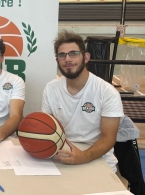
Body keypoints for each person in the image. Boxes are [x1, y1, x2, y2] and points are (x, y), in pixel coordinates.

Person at [41, 30, 124, 172]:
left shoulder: (107, 92)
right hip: (61, 155)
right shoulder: (51, 88)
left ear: (86, 57)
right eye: (62, 55)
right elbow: (48, 128)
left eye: (73, 53)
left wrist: (84, 156)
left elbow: (108, 138)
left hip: (97, 158)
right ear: (57, 61)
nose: (67, 59)